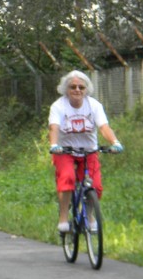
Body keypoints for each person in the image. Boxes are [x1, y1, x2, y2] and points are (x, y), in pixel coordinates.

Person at [48, 70, 123, 232]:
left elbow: (104, 127)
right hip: (65, 151)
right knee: (67, 178)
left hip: (89, 151)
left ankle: (89, 216)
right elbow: (54, 127)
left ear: (86, 89)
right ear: (66, 89)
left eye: (81, 87)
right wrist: (54, 145)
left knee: (95, 185)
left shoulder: (94, 105)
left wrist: (115, 142)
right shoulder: (58, 106)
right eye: (73, 87)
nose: (77, 90)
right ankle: (63, 218)